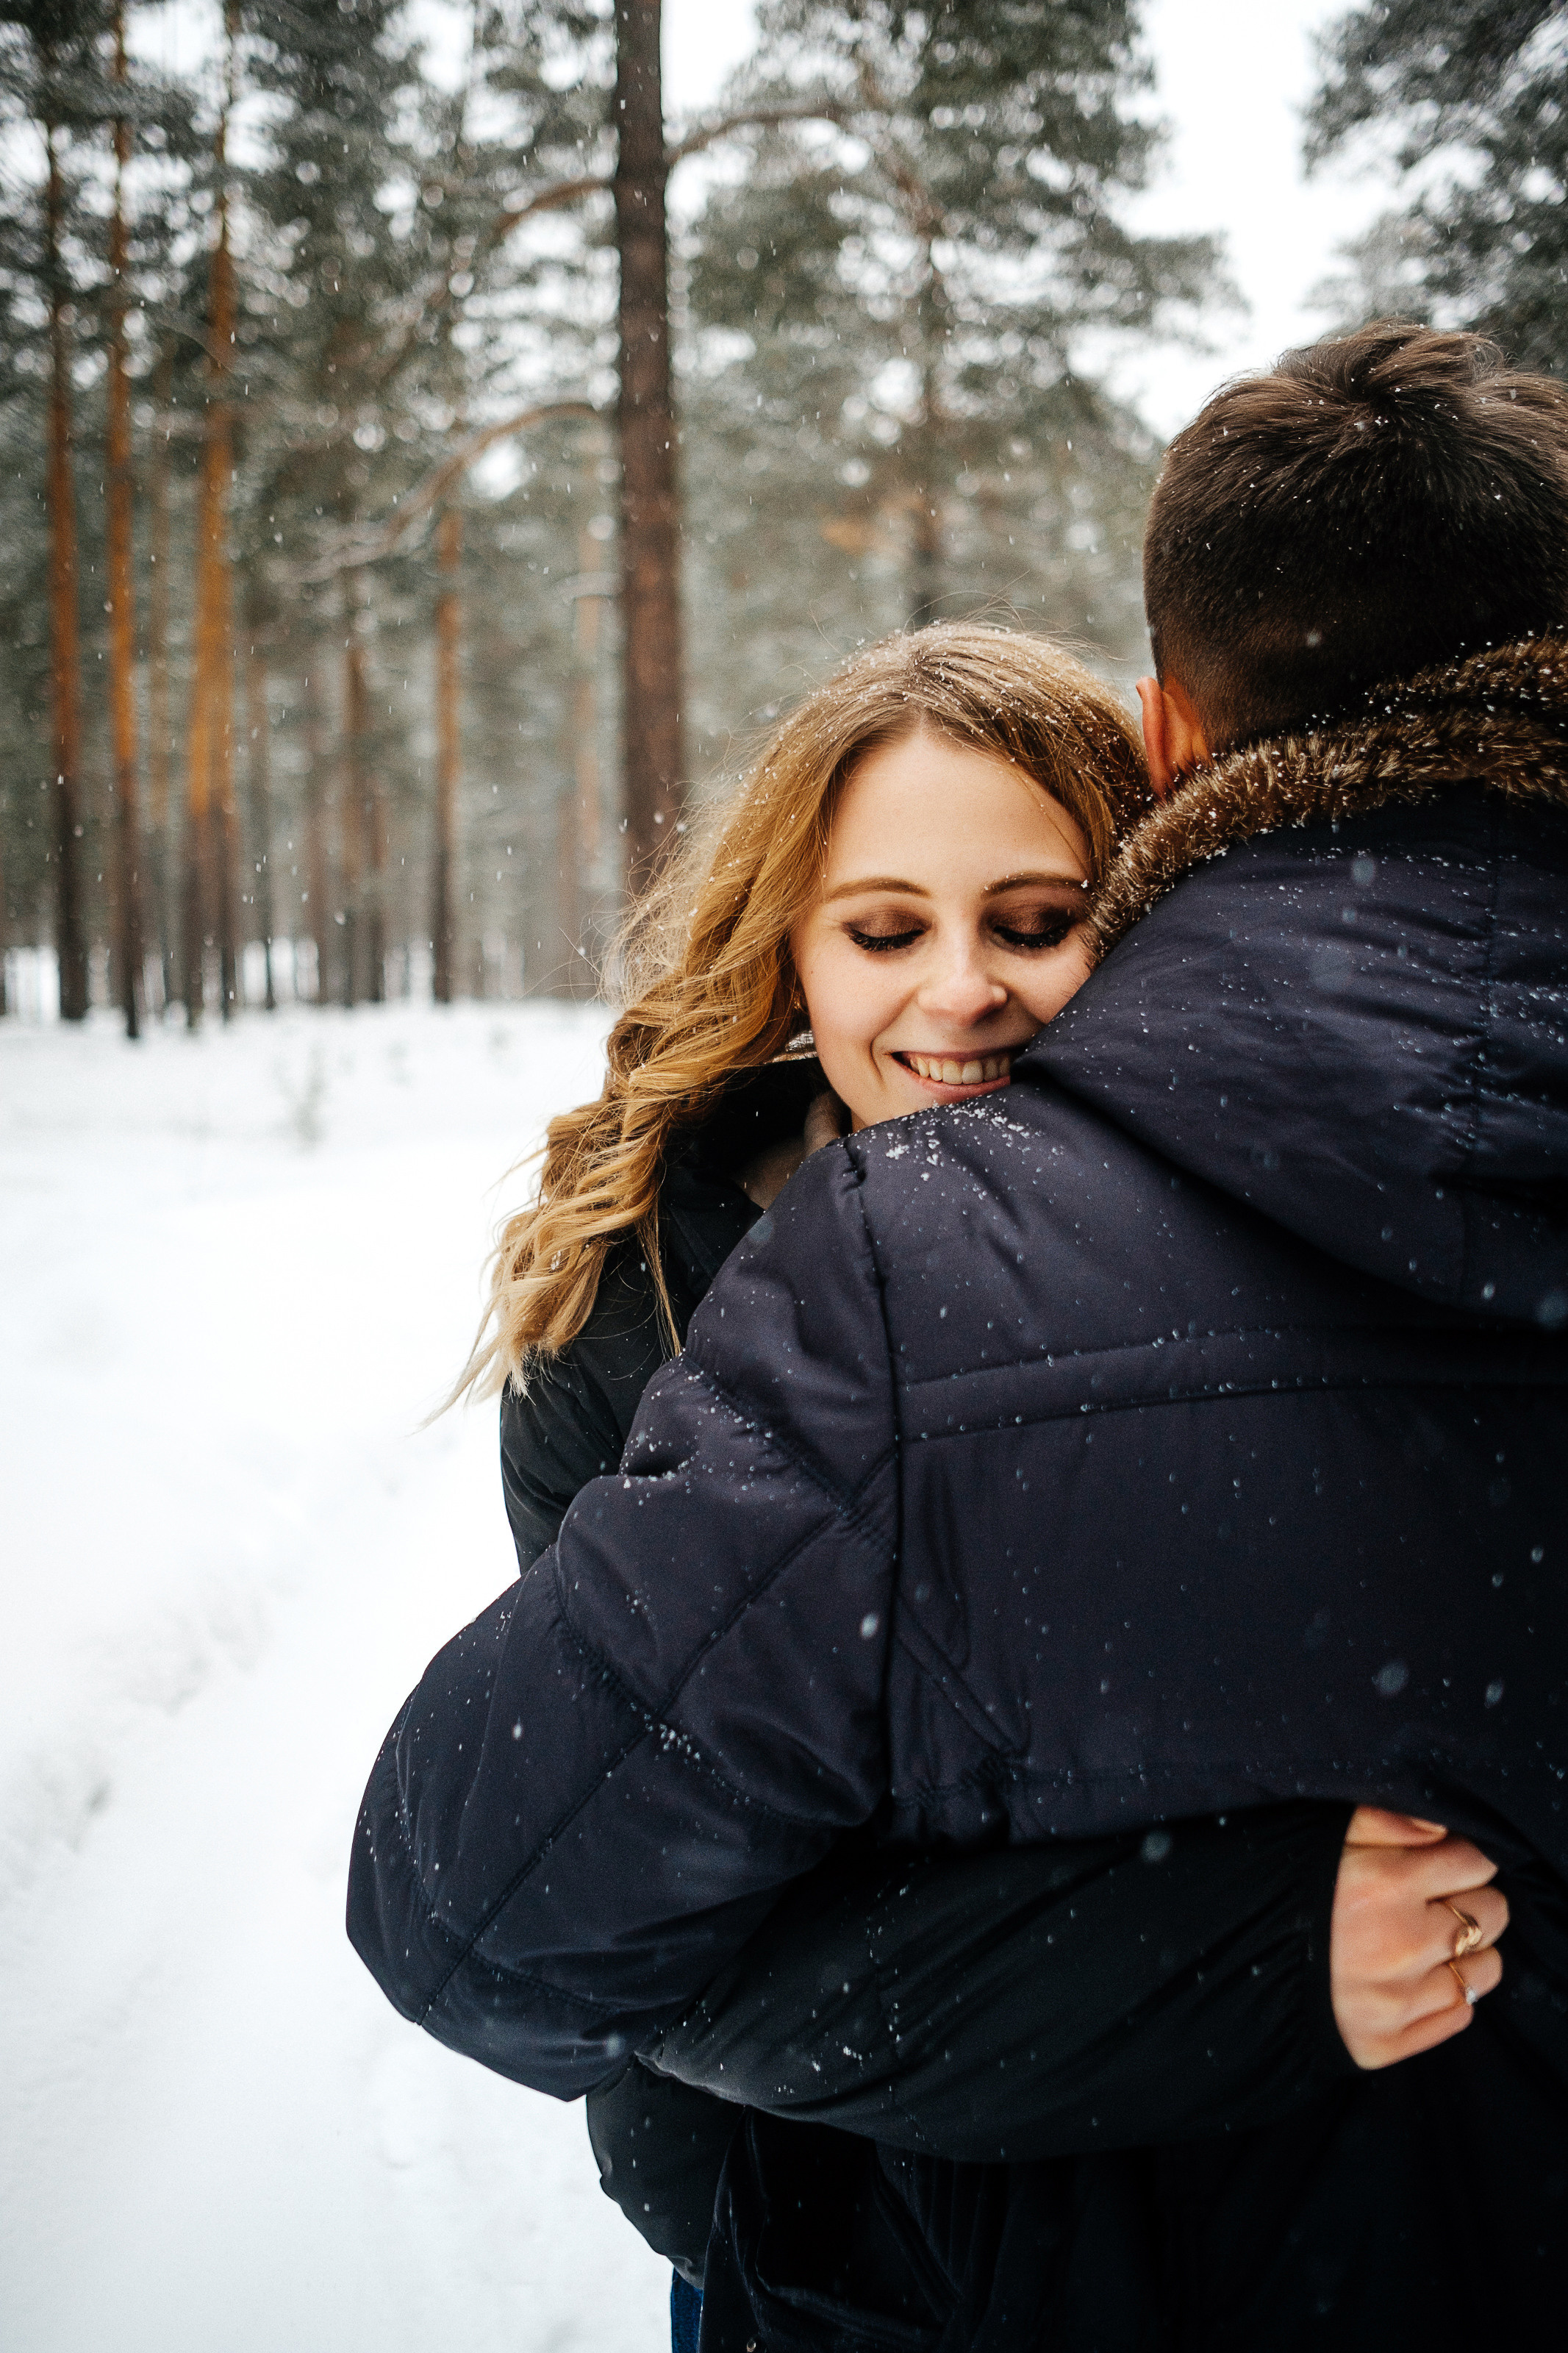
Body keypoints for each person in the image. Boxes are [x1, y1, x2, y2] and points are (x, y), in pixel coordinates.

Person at [350, 327, 1568, 2343]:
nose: (965, 995)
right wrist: (1206, 1963)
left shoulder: (1130, 1257)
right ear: (790, 944)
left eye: (1036, 916)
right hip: (823, 2243)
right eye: (886, 928)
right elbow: (631, 1962)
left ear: (1163, 840)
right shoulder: (651, 1301)